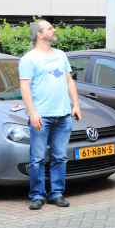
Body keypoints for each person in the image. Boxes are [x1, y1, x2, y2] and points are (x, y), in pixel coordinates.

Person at [18, 20, 81, 210]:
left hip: (63, 115)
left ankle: (56, 194)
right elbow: (24, 88)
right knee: (37, 159)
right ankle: (37, 195)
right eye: (50, 28)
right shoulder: (29, 59)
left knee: (60, 157)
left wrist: (76, 105)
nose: (54, 31)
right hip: (41, 116)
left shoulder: (61, 55)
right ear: (39, 34)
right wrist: (33, 113)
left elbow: (69, 81)